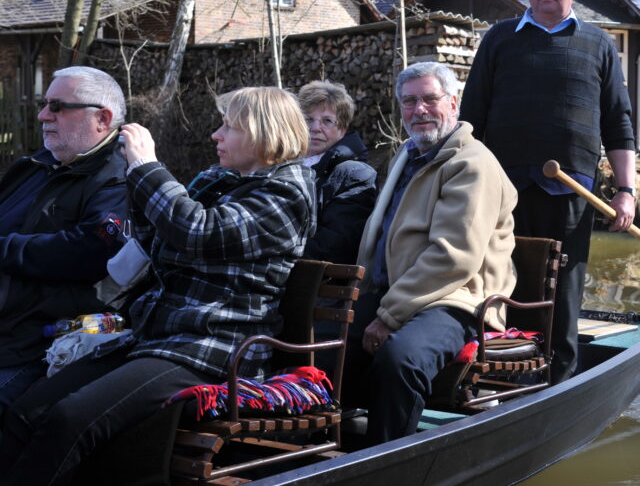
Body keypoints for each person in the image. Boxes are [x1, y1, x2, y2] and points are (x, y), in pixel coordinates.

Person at [0, 87, 315, 486]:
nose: (216, 135)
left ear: (264, 132)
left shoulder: (287, 191)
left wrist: (147, 166)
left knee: (70, 419)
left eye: (228, 127)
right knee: (27, 410)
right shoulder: (221, 181)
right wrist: (134, 178)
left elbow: (196, 232)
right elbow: (159, 239)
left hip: (211, 347)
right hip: (158, 337)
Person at [460, 0, 637, 384]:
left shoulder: (599, 45)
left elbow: (618, 123)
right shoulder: (499, 40)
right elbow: (470, 118)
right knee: (502, 282)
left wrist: (626, 191)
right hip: (502, 192)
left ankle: (558, 380)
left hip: (572, 191)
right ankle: (501, 373)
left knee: (563, 290)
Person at [347, 61, 517, 445]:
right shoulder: (406, 155)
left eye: (429, 99)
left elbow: (453, 257)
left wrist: (389, 316)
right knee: (322, 340)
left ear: (453, 103)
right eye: (409, 102)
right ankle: (333, 446)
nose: (419, 110)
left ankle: (387, 461)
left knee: (399, 359)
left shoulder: (473, 164)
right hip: (396, 291)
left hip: (457, 300)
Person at [0, 66, 127, 414]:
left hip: (35, 343)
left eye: (57, 106)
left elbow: (92, 250)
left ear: (102, 118)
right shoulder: (37, 164)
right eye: (44, 104)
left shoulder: (121, 177)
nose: (43, 115)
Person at [297, 80, 377, 263]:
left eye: (327, 121)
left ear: (342, 129)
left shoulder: (356, 175)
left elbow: (334, 246)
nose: (315, 128)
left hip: (311, 280)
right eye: (308, 119)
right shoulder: (278, 163)